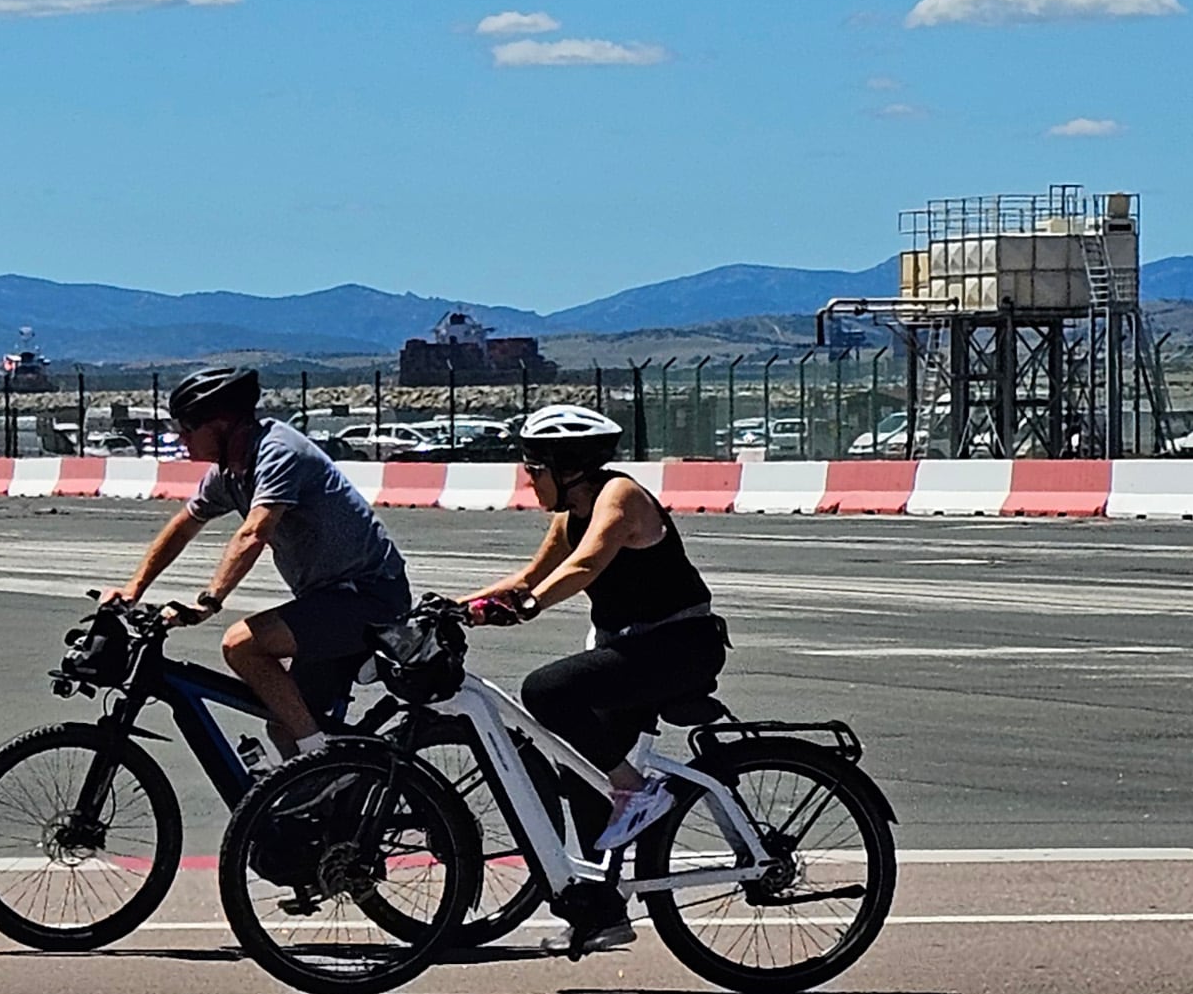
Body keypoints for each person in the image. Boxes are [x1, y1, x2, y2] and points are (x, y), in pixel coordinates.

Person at [465, 401, 726, 957]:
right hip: (634, 648)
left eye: (534, 467)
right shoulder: (570, 513)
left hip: (678, 646)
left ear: (569, 465)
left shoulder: (620, 497)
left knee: (545, 690)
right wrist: (457, 608)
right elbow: (533, 576)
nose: (527, 479)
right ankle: (604, 915)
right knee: (579, 768)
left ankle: (633, 789)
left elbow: (584, 566)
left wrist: (529, 607)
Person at [102, 368, 413, 757]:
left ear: (222, 424)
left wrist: (209, 601)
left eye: (187, 427)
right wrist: (134, 589)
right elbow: (184, 525)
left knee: (242, 645)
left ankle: (319, 759)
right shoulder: (230, 472)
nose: (181, 438)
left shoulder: (278, 452)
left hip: (369, 597)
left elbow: (254, 533)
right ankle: (325, 794)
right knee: (285, 727)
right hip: (327, 600)